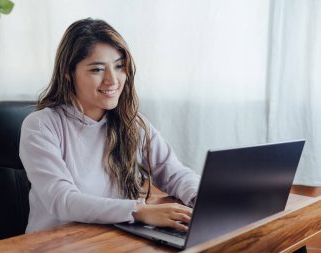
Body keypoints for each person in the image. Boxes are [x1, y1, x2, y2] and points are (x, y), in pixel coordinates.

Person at [19, 18, 200, 234]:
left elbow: (174, 173)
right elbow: (63, 200)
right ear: (68, 73)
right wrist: (138, 211)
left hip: (113, 238)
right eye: (97, 69)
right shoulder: (41, 126)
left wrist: (203, 198)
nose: (112, 80)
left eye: (119, 66)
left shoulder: (133, 124)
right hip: (55, 243)